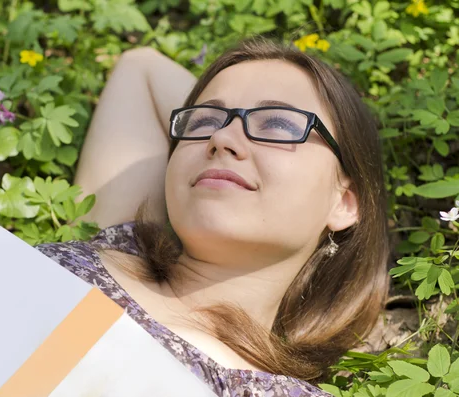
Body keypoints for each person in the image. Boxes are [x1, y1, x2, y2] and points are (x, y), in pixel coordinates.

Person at [37, 35, 389, 396]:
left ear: (344, 202)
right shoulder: (118, 241)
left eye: (279, 125)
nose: (221, 138)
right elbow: (140, 67)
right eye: (204, 121)